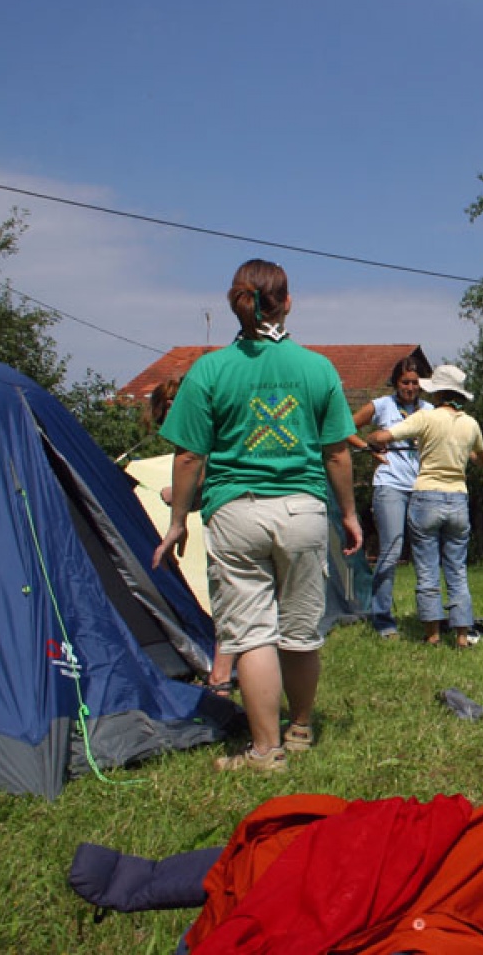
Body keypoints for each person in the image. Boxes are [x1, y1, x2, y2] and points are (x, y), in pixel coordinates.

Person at [152, 259, 362, 773]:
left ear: (239, 303)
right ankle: (301, 729)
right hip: (304, 511)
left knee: (251, 634)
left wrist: (178, 521)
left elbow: (187, 457)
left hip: (236, 512)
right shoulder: (316, 369)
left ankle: (265, 752)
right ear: (287, 302)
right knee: (300, 629)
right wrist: (351, 514)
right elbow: (337, 453)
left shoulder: (210, 370)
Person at [367, 364, 483, 649]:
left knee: (427, 568)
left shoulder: (425, 417)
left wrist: (374, 442)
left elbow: (382, 436)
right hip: (458, 499)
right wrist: (465, 453)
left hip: (427, 497)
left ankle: (433, 634)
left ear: (437, 393)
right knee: (457, 568)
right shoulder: (470, 424)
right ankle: (461, 636)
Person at [147, 378, 236, 699]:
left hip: (226, 518)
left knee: (228, 599)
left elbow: (195, 465)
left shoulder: (198, 433)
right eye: (168, 405)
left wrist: (178, 503)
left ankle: (221, 677)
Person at [348, 358, 430, 639]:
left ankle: (428, 616)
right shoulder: (382, 406)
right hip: (390, 484)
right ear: (396, 382)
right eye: (405, 382)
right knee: (392, 550)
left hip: (421, 485)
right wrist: (367, 448)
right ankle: (382, 617)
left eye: (415, 382)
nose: (410, 387)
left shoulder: (428, 410)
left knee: (424, 552)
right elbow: (346, 426)